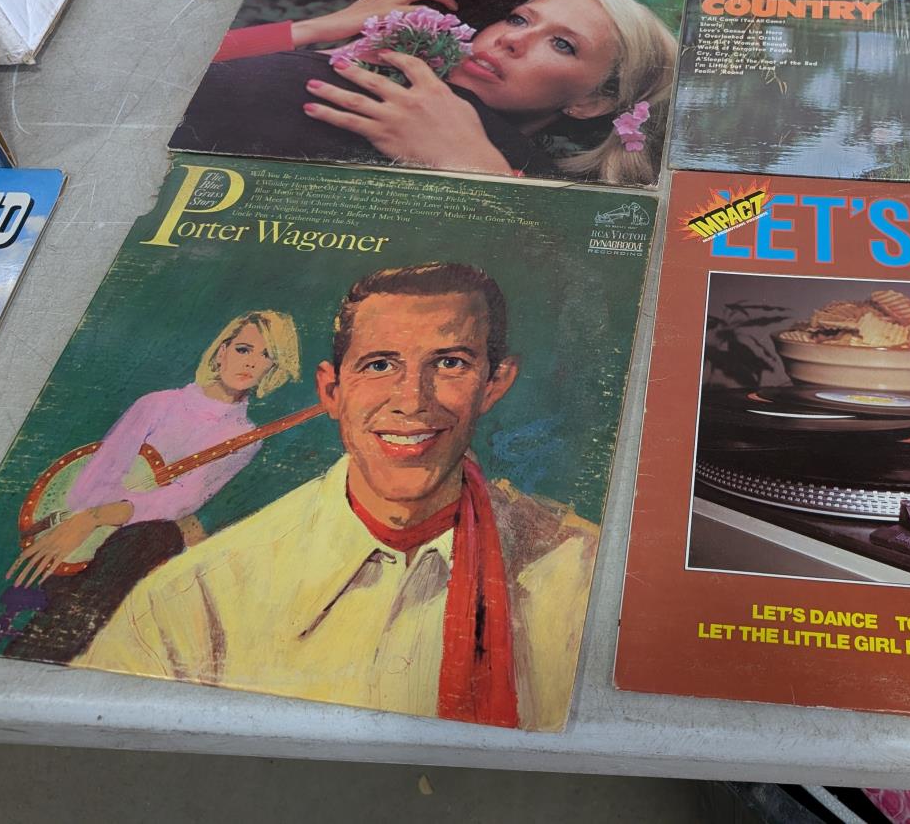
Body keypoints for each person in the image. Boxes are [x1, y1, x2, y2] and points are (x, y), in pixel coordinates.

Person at [79, 264, 600, 731]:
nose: (412, 401)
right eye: (379, 365)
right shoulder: (193, 599)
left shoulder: (583, 572)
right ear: (331, 391)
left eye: (449, 363)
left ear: (494, 384)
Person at [1, 312, 302, 663]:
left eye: (266, 356)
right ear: (222, 351)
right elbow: (95, 479)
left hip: (143, 541)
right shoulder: (157, 404)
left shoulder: (245, 438)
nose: (251, 362)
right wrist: (90, 519)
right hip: (88, 537)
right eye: (244, 349)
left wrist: (102, 515)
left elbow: (182, 500)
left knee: (151, 536)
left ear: (273, 369)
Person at [305, 0, 675, 186]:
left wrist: (480, 169)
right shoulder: (376, 79)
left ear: (591, 102)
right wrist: (314, 30)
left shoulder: (551, 190)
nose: (512, 39)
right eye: (519, 19)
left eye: (562, 44)